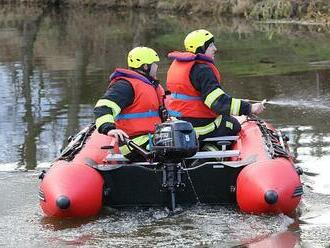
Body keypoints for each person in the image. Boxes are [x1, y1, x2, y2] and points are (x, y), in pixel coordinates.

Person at [166, 29, 265, 145]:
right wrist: (249, 108)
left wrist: (240, 104)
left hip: (180, 124)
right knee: (233, 125)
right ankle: (211, 152)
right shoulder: (203, 70)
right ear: (201, 49)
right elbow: (218, 102)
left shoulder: (180, 65)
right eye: (211, 45)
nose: (215, 49)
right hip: (202, 126)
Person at [94, 47, 166, 161]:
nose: (157, 67)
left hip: (150, 138)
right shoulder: (125, 86)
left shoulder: (150, 85)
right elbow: (102, 107)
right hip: (134, 144)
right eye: (154, 64)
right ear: (145, 66)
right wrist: (109, 128)